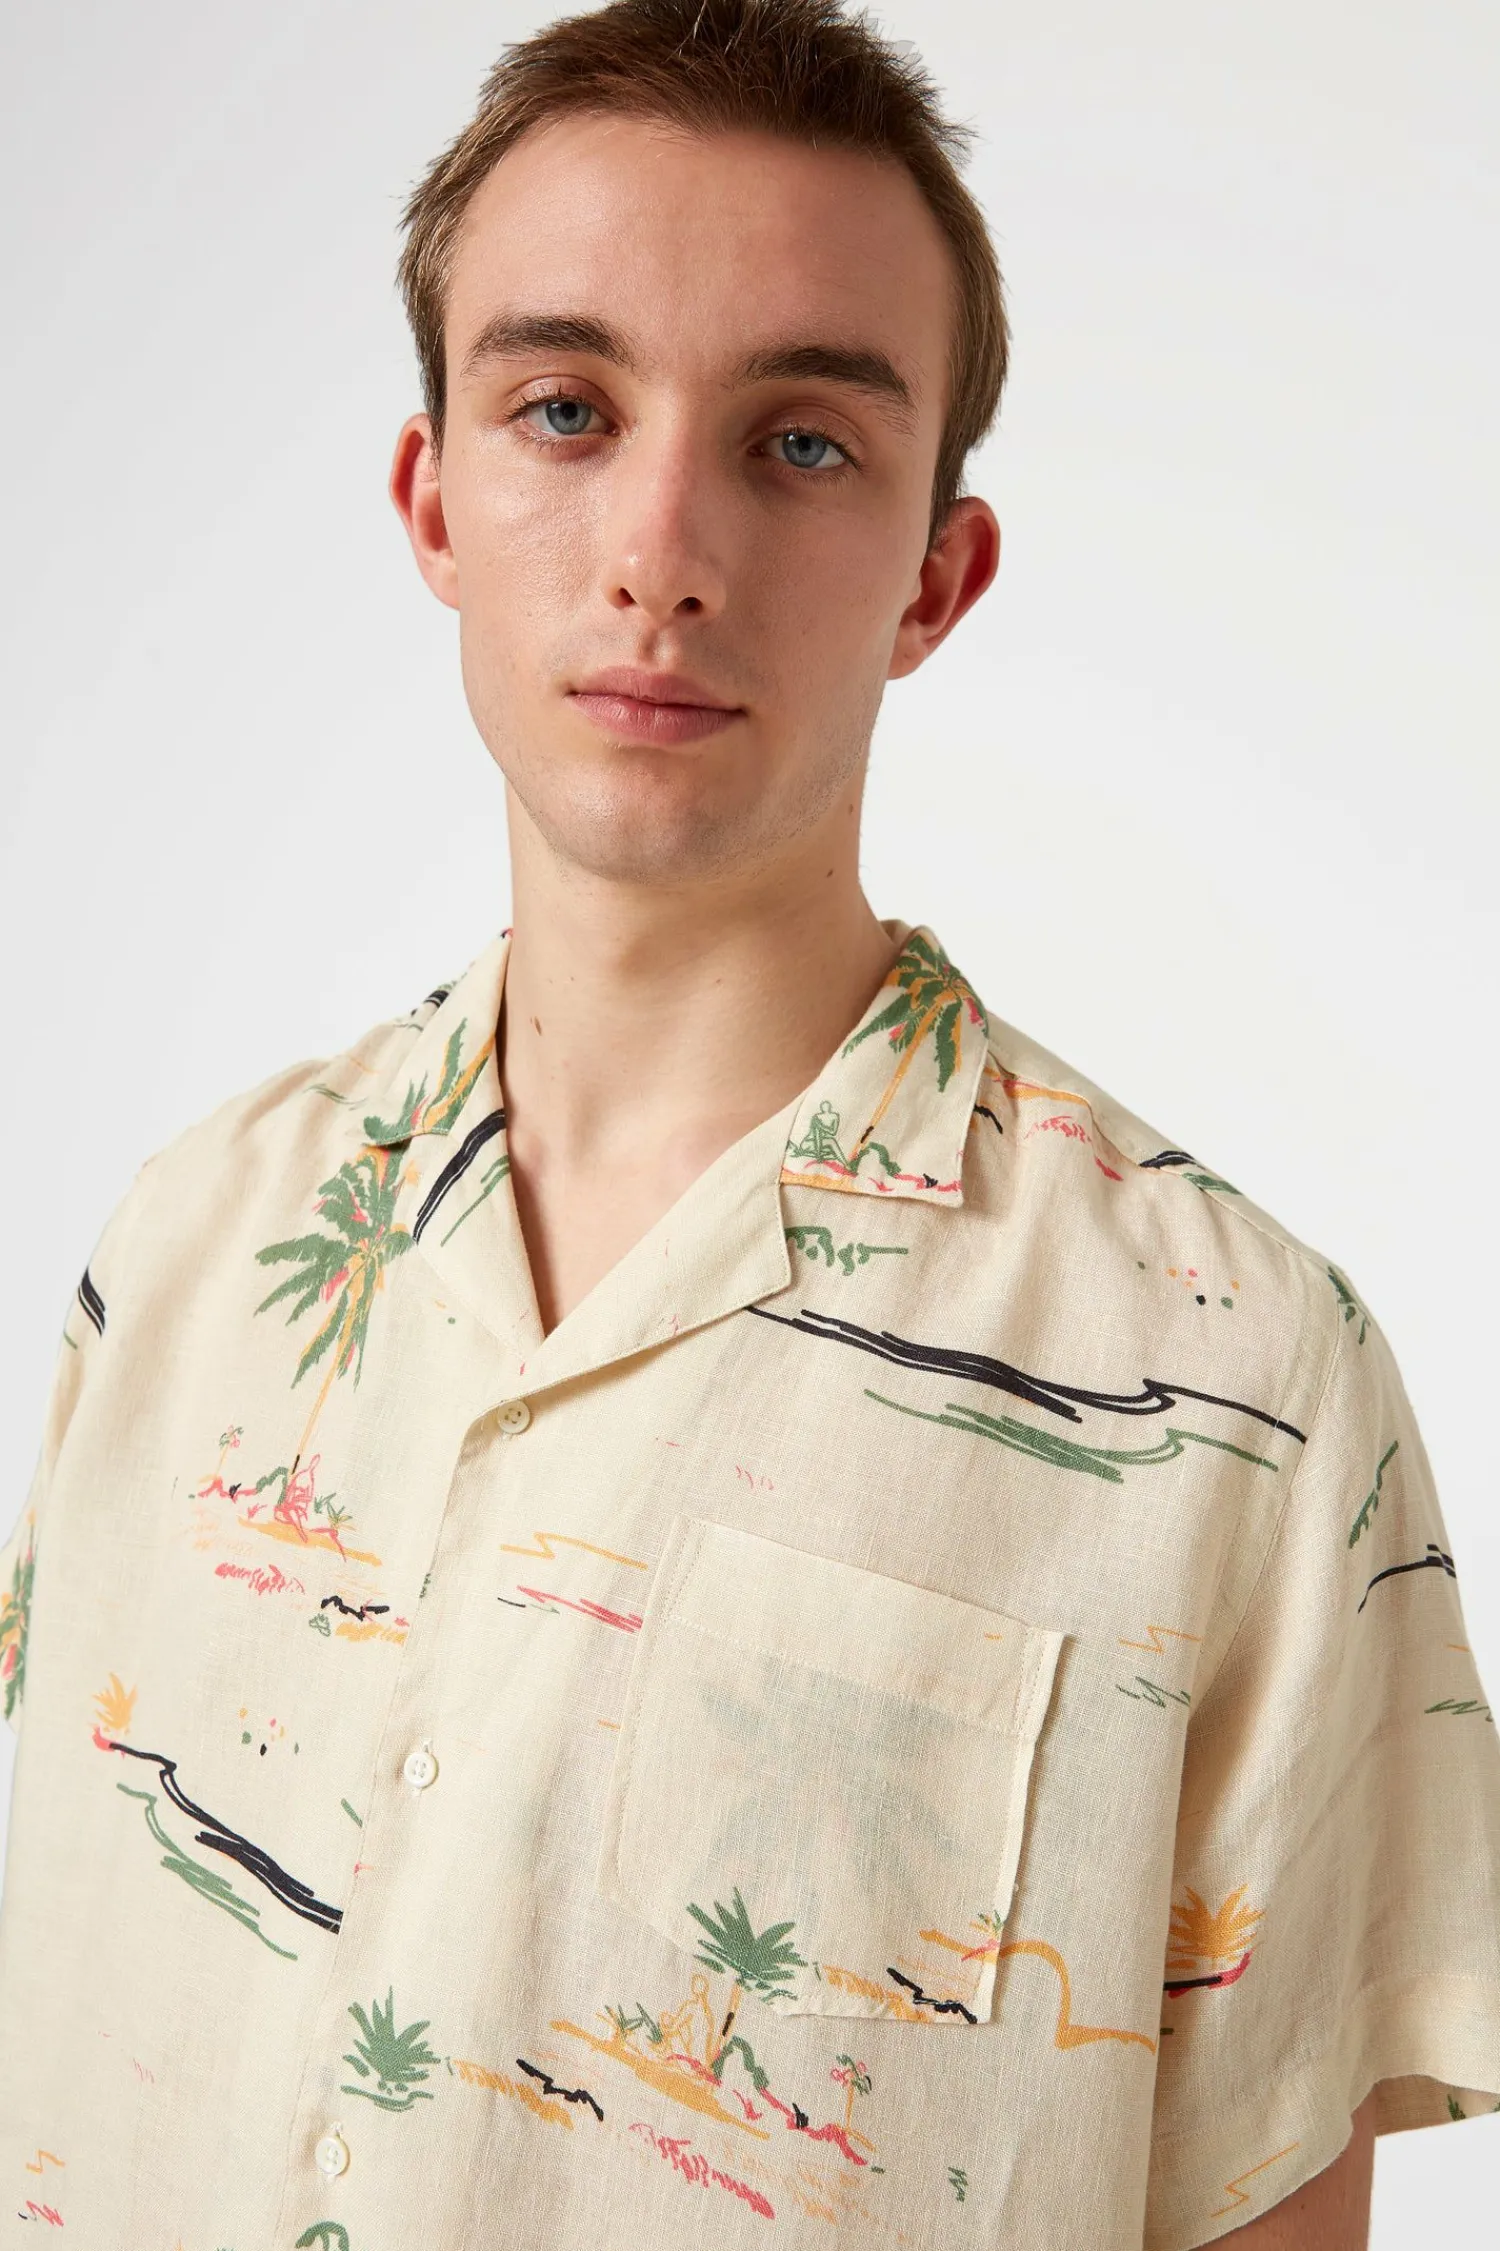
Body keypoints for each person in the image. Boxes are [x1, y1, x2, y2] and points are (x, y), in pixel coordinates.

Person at [1, 2, 1496, 2245]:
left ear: (935, 578)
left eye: (800, 444)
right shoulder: (192, 1245)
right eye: (566, 410)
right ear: (433, 499)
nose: (663, 548)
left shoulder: (1241, 1393)